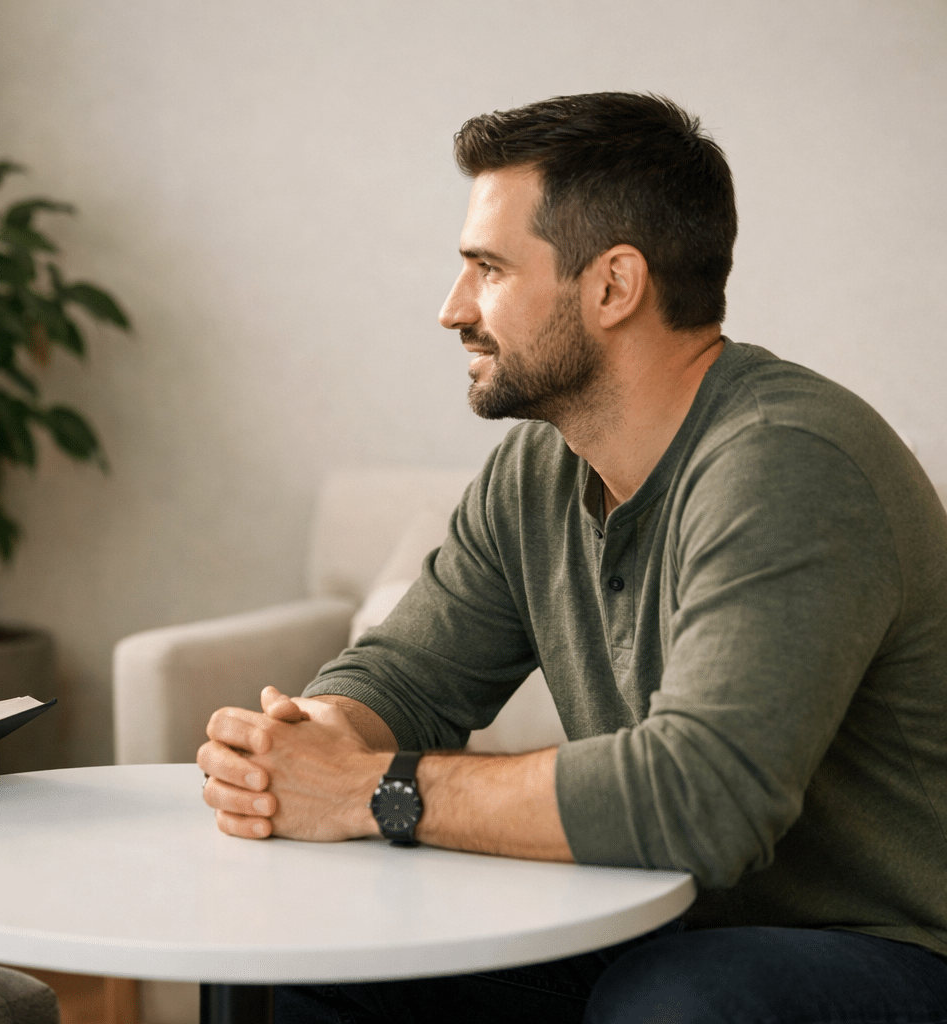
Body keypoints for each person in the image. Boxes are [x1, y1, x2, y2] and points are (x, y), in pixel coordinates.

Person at [198, 92, 947, 1022]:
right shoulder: (542, 466)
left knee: (672, 1001)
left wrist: (373, 791)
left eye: (488, 269)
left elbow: (702, 798)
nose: (452, 309)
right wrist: (306, 742)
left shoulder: (788, 462)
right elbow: (409, 674)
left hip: (892, 950)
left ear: (612, 286)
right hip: (658, 920)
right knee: (317, 958)